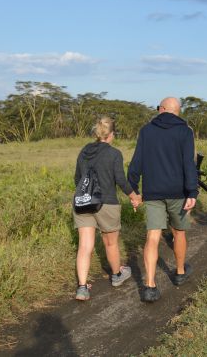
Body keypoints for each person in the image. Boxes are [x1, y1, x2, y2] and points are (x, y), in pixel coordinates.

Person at [128, 97, 199, 303]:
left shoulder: (146, 131)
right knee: (179, 232)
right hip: (178, 192)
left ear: (161, 109)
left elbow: (136, 163)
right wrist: (192, 192)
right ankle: (179, 273)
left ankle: (149, 286)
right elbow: (189, 164)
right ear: (177, 112)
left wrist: (133, 191)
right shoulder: (185, 131)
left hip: (152, 192)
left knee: (153, 237)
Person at [73, 116, 142, 301]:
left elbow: (77, 179)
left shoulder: (84, 151)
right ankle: (117, 275)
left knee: (85, 246)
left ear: (97, 133)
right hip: (107, 203)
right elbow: (121, 180)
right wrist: (134, 196)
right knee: (110, 243)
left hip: (83, 202)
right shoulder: (114, 153)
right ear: (111, 134)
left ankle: (82, 287)